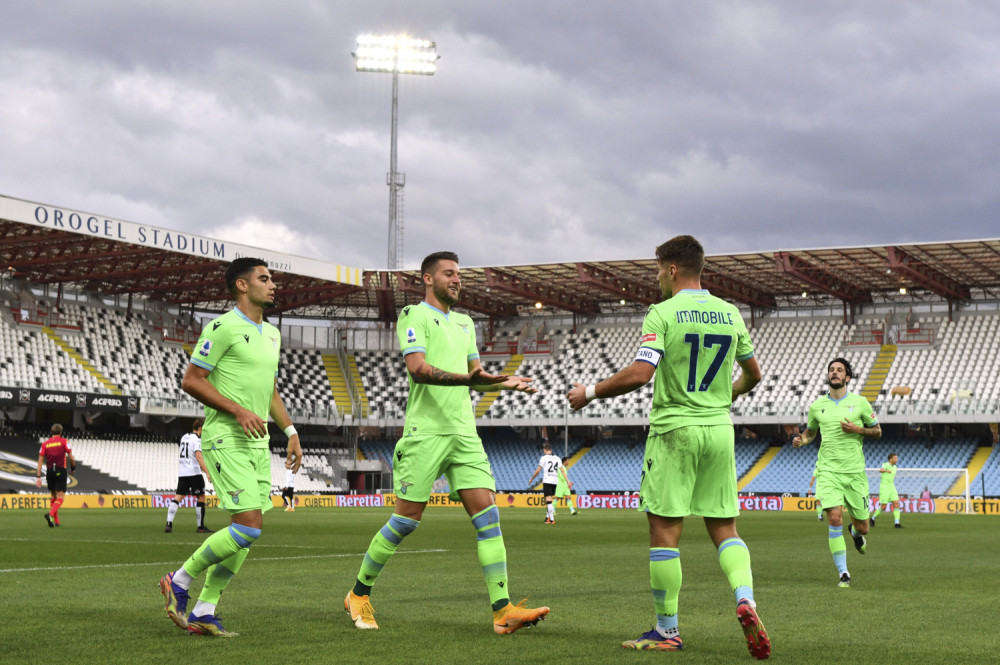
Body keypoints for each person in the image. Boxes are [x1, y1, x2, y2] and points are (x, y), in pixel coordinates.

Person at [567, 236, 769, 658]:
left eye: (658, 269)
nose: (657, 277)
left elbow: (642, 373)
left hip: (675, 429)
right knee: (725, 528)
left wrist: (590, 392)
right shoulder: (730, 313)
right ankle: (745, 598)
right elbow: (754, 375)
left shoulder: (663, 313)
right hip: (718, 430)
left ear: (673, 269)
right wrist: (723, 397)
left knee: (665, 532)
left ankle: (667, 630)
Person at [345, 251, 549, 635]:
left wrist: (500, 381)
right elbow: (419, 370)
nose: (457, 280)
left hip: (464, 433)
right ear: (427, 279)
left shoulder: (465, 323)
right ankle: (358, 594)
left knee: (488, 517)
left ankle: (502, 610)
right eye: (449, 274)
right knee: (406, 521)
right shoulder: (414, 316)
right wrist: (476, 380)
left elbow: (475, 374)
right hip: (426, 432)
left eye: (460, 274)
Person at [159, 257, 302, 638]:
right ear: (242, 285)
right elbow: (192, 380)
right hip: (224, 437)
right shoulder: (221, 327)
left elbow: (270, 391)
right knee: (249, 529)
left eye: (272, 279)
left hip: (258, 442)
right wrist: (237, 410)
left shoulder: (272, 334)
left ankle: (205, 611)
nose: (273, 285)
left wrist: (289, 430)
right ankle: (180, 579)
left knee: (247, 530)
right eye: (265, 278)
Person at [792, 357, 881, 588]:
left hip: (854, 473)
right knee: (834, 518)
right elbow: (810, 433)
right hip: (828, 471)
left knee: (864, 527)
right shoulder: (817, 406)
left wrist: (857, 429)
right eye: (831, 369)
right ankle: (844, 574)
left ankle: (855, 533)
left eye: (840, 370)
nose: (835, 373)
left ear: (847, 377)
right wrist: (801, 440)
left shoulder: (860, 403)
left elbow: (877, 431)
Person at [165, 418, 213, 533]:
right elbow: (198, 456)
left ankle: (169, 524)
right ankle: (200, 527)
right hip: (194, 472)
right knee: (201, 497)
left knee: (178, 497)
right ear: (200, 428)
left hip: (183, 472)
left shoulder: (184, 437)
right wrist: (207, 472)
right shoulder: (197, 439)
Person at [35, 423, 75, 527]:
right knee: (61, 496)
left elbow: (40, 461)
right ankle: (50, 514)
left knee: (53, 496)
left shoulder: (45, 444)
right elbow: (71, 458)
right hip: (60, 470)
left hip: (49, 472)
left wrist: (38, 477)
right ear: (61, 432)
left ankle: (56, 522)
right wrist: (73, 468)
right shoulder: (64, 441)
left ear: (51, 432)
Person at [527, 442, 572, 523]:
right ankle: (547, 518)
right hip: (554, 482)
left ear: (545, 450)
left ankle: (552, 519)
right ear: (551, 450)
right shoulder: (557, 458)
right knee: (549, 500)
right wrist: (568, 481)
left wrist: (532, 479)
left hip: (547, 480)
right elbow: (562, 471)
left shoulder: (543, 458)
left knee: (548, 501)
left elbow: (538, 471)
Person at [870, 453, 903, 528]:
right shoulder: (885, 464)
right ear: (890, 459)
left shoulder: (895, 467)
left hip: (892, 487)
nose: (896, 460)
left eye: (896, 458)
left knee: (896, 504)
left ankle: (897, 523)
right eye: (895, 458)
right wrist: (885, 471)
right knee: (883, 507)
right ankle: (872, 519)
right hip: (884, 488)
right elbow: (881, 470)